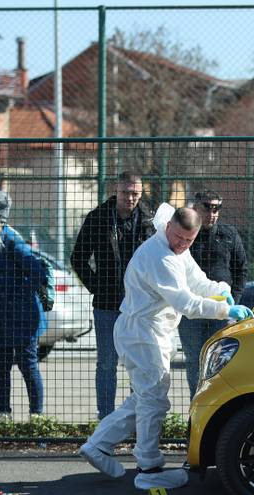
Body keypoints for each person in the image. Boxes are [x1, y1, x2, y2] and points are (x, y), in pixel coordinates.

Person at [79, 204, 254, 490]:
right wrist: (225, 312)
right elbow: (186, 302)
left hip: (150, 332)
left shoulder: (176, 250)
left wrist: (221, 291)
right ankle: (148, 467)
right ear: (169, 226)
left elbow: (196, 280)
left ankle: (98, 445)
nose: (182, 244)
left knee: (145, 397)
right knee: (154, 400)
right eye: (179, 238)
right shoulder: (160, 257)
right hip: (143, 332)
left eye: (189, 241)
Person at [70, 171, 155, 419]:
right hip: (107, 304)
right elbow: (78, 258)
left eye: (135, 194)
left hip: (140, 306)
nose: (131, 198)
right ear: (116, 191)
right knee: (107, 363)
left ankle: (137, 415)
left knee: (138, 363)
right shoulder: (97, 218)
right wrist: (97, 285)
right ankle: (105, 416)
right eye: (126, 192)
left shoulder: (150, 221)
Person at [0, 190, 48, 421]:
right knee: (2, 367)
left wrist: (19, 294)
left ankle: (36, 417)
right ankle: (3, 415)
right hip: (2, 318)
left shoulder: (11, 240)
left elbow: (37, 270)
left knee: (28, 365)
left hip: (23, 318)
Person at [178, 190, 248, 399]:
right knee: (195, 360)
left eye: (216, 207)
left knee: (220, 360)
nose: (212, 212)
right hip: (192, 310)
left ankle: (218, 407)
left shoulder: (229, 234)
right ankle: (197, 406)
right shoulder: (186, 236)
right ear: (195, 208)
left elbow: (241, 269)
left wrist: (233, 300)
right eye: (207, 207)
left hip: (222, 311)